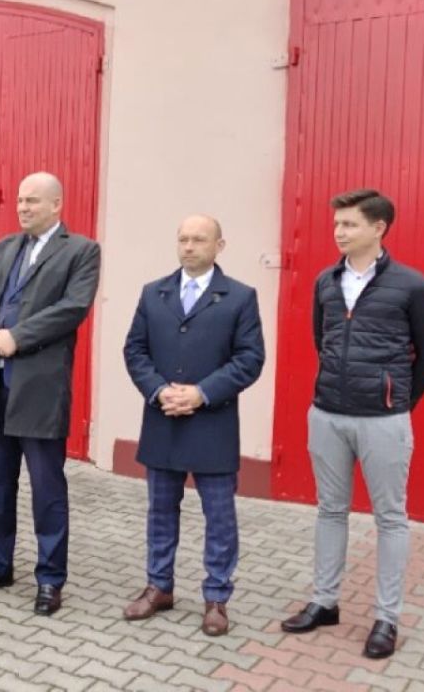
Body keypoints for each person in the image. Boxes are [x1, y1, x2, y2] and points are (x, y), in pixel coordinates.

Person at [280, 189, 424, 659]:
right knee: (330, 510)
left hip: (383, 420)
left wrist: (398, 400)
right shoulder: (325, 282)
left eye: (349, 224)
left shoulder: (412, 286)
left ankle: (386, 617)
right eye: (337, 224)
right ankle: (324, 602)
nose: (339, 232)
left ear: (378, 228)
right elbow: (322, 340)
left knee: (391, 517)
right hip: (327, 413)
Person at [0, 171, 100, 616]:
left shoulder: (81, 251)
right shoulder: (5, 248)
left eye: (32, 201)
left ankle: (50, 578)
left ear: (57, 204)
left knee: (47, 490)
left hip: (39, 391)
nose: (22, 208)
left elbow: (72, 308)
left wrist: (17, 337)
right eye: (20, 200)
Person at [122, 215, 264, 636]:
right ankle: (159, 586)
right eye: (183, 239)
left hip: (212, 423)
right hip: (163, 418)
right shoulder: (154, 293)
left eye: (199, 239)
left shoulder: (240, 297)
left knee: (219, 516)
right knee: (160, 511)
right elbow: (135, 350)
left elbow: (250, 358)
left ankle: (216, 597)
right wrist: (158, 390)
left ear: (219, 246)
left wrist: (202, 393)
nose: (188, 246)